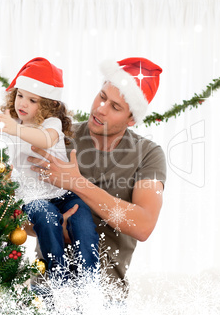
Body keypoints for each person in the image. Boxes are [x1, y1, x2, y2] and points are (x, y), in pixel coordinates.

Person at [0, 57, 99, 277]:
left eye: (33, 100)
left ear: (50, 104)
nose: (22, 103)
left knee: (84, 223)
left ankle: (91, 282)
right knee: (47, 220)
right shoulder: (11, 122)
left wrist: (14, 129)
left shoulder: (51, 123)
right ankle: (59, 280)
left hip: (63, 192)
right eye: (20, 95)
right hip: (32, 196)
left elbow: (46, 140)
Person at [27, 57, 166, 288]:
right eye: (102, 97)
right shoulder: (58, 136)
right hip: (45, 290)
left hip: (105, 296)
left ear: (131, 119)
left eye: (115, 107)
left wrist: (77, 183)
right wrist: (52, 223)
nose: (101, 109)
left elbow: (143, 225)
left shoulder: (148, 154)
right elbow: (17, 213)